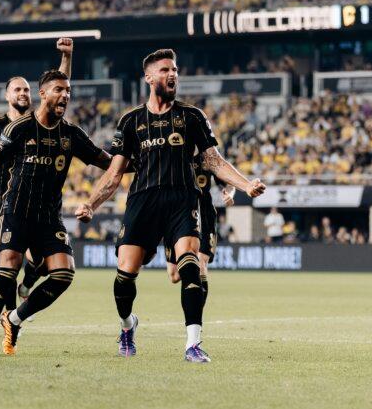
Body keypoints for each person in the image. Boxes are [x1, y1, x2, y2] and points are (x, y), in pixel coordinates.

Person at [75, 49, 265, 363]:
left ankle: (193, 343)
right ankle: (127, 326)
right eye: (165, 70)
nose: (172, 74)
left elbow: (212, 160)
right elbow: (114, 174)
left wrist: (245, 185)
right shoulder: (131, 120)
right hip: (143, 201)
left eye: (175, 69)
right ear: (149, 77)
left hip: (182, 199)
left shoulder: (192, 116)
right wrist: (91, 204)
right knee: (125, 273)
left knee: (189, 264)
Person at [0, 68, 112, 359]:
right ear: (43, 94)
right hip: (16, 209)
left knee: (64, 274)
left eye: (68, 91)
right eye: (59, 90)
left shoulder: (72, 134)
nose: (65, 95)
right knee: (7, 271)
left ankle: (13, 319)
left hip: (49, 217)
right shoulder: (19, 128)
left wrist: (140, 158)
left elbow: (107, 162)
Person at [0, 39, 73, 355]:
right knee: (7, 268)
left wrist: (66, 56)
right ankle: (5, 328)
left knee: (37, 263)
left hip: (42, 210)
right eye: (17, 90)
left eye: (26, 90)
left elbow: (60, 84)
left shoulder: (44, 123)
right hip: (5, 206)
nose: (22, 94)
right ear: (8, 96)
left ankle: (25, 290)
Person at [165, 153, 235, 315]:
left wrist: (229, 194)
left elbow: (229, 183)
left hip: (203, 213)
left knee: (201, 263)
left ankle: (195, 320)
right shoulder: (174, 152)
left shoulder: (208, 157)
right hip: (176, 211)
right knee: (174, 275)